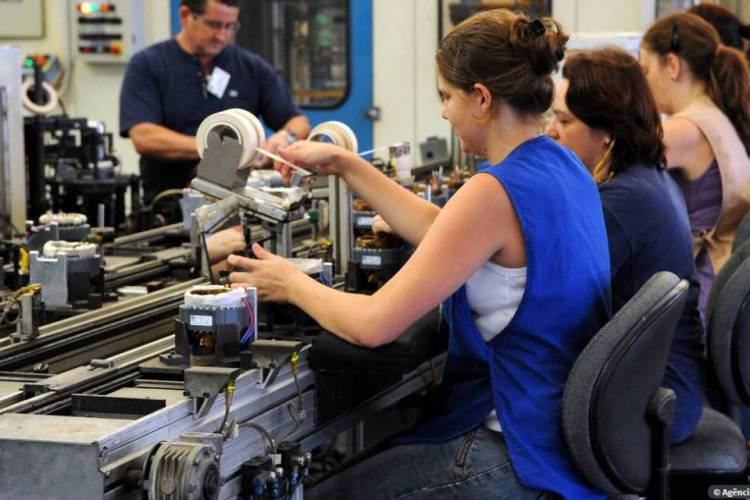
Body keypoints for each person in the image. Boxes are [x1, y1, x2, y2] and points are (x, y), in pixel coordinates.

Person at [228, 9, 611, 499]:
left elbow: (372, 325)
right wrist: (345, 165)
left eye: (447, 97)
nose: (444, 112)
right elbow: (445, 232)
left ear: (482, 99)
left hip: (513, 447)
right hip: (558, 433)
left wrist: (288, 282)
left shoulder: (494, 189)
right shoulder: (562, 163)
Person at [546, 46, 705, 444]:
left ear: (608, 134)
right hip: (662, 384)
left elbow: (549, 293)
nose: (551, 131)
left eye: (565, 120)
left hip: (649, 400)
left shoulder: (622, 202)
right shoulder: (645, 178)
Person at [119, 0, 311, 204]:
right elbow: (144, 136)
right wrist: (220, 150)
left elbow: (298, 123)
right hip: (168, 204)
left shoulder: (251, 68)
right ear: (185, 15)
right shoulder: (148, 65)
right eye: (214, 25)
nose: (222, 36)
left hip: (240, 204)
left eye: (230, 26)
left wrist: (285, 137)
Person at [640, 12, 750, 319]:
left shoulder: (684, 130)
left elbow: (617, 164)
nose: (644, 82)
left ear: (672, 66)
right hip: (723, 276)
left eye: (646, 69)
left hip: (704, 289)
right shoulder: (713, 115)